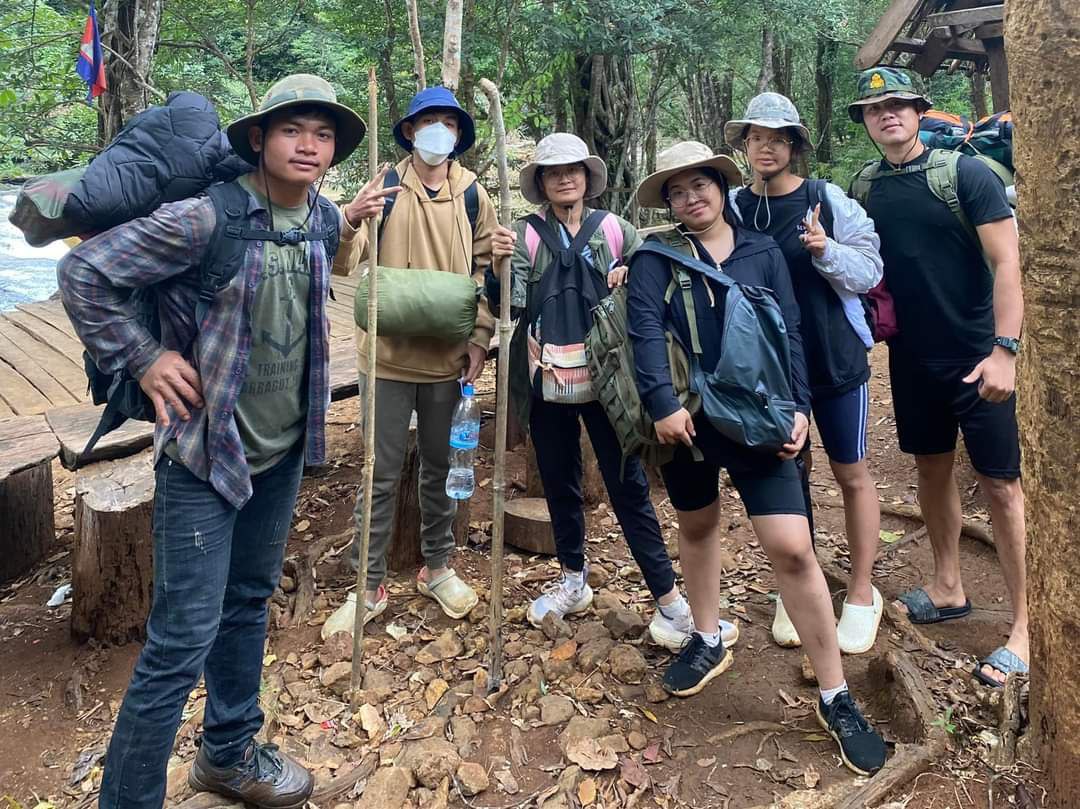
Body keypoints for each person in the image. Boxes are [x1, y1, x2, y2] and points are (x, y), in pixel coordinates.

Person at [57, 74, 369, 808]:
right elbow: (85, 272)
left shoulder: (320, 219)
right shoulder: (206, 219)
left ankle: (227, 755)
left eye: (323, 135)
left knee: (250, 599)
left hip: (284, 448)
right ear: (258, 138)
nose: (310, 145)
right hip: (204, 453)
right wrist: (145, 356)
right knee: (178, 643)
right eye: (294, 129)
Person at [629, 141, 886, 775]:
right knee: (696, 523)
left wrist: (799, 406)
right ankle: (708, 637)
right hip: (688, 420)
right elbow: (642, 333)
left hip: (760, 417)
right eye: (678, 191)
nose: (692, 197)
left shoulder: (762, 251)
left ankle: (835, 694)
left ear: (722, 186)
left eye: (702, 185)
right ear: (668, 201)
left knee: (793, 547)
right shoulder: (655, 258)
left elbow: (788, 328)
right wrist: (661, 402)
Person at [488, 132, 738, 651]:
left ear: (588, 177)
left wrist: (633, 273)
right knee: (559, 482)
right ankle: (573, 578)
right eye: (554, 172)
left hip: (610, 381)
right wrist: (496, 267)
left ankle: (670, 602)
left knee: (628, 487)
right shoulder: (523, 234)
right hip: (545, 381)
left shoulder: (617, 230)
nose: (565, 179)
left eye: (573, 170)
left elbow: (657, 287)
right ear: (540, 182)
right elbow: (505, 306)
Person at [848, 67, 1027, 687]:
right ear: (866, 121)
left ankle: (1026, 625)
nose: (887, 115)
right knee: (931, 467)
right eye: (875, 109)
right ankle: (949, 586)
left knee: (1001, 486)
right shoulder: (867, 185)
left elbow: (1007, 263)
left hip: (977, 356)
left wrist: (1005, 350)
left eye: (897, 105)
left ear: (919, 111)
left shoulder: (966, 176)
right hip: (912, 359)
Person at [324, 86, 515, 635]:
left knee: (441, 467)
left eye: (448, 124)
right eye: (427, 122)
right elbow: (348, 264)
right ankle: (368, 583)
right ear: (409, 131)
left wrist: (479, 340)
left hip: (447, 357)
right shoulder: (384, 184)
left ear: (459, 135)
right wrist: (352, 219)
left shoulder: (473, 194)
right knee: (377, 472)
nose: (438, 132)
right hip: (384, 353)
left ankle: (438, 566)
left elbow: (486, 274)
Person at [724, 93, 886, 655]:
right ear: (744, 146)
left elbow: (870, 270)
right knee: (789, 470)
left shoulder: (826, 199)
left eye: (777, 138)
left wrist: (825, 248)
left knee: (851, 471)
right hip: (768, 370)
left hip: (832, 356)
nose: (765, 147)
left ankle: (862, 593)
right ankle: (797, 585)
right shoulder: (732, 207)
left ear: (794, 146)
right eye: (756, 138)